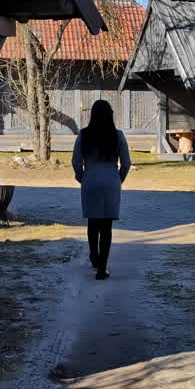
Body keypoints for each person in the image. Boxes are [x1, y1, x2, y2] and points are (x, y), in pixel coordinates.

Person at [73, 100, 131, 280]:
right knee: (106, 225)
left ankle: (94, 256)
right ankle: (102, 268)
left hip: (91, 179)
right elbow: (126, 163)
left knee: (93, 221)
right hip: (110, 180)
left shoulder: (84, 135)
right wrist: (118, 178)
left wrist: (81, 176)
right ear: (111, 115)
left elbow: (76, 161)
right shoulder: (117, 135)